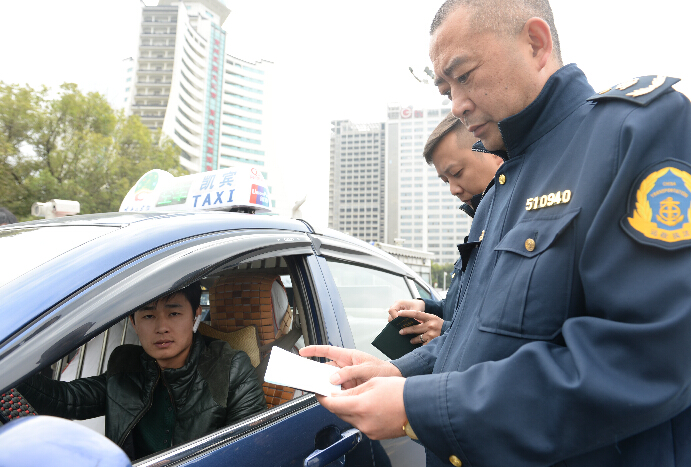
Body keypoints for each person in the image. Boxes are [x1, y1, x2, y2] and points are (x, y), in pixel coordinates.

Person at [301, 1, 691, 466]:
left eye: (464, 76)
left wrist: (417, 406)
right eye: (446, 89)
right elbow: (475, 340)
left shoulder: (633, 131)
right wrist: (394, 375)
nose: (457, 105)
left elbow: (649, 358)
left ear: (536, 44)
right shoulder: (499, 193)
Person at [18, 281, 267, 460]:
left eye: (174, 313)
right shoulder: (128, 366)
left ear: (195, 316)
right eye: (148, 316)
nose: (161, 327)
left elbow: (251, 451)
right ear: (133, 322)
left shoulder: (229, 368)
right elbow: (65, 399)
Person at [388, 112, 503, 346]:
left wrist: (446, 333)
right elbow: (464, 309)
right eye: (445, 181)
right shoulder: (480, 227)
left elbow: (508, 329)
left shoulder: (514, 223)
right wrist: (426, 308)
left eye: (457, 173)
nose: (453, 190)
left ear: (495, 154)